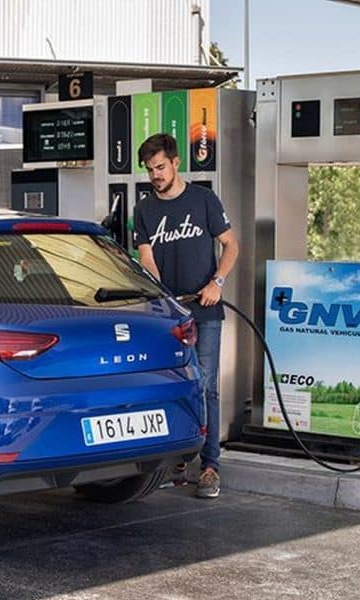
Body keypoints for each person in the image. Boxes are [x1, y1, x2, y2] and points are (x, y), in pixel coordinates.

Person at [132, 133, 239, 499]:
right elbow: (146, 259)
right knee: (171, 386)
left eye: (160, 167)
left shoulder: (204, 200)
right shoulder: (144, 210)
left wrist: (217, 283)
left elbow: (231, 245)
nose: (155, 175)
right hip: (169, 317)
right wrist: (163, 299)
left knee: (205, 386)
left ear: (177, 162)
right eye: (150, 170)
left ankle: (210, 467)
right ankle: (178, 457)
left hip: (205, 311)